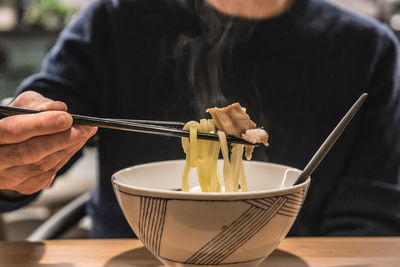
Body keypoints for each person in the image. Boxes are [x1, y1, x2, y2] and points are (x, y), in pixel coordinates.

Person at [0, 0, 399, 238]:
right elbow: (41, 119)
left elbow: (370, 219)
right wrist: (16, 159)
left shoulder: (366, 49)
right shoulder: (115, 17)